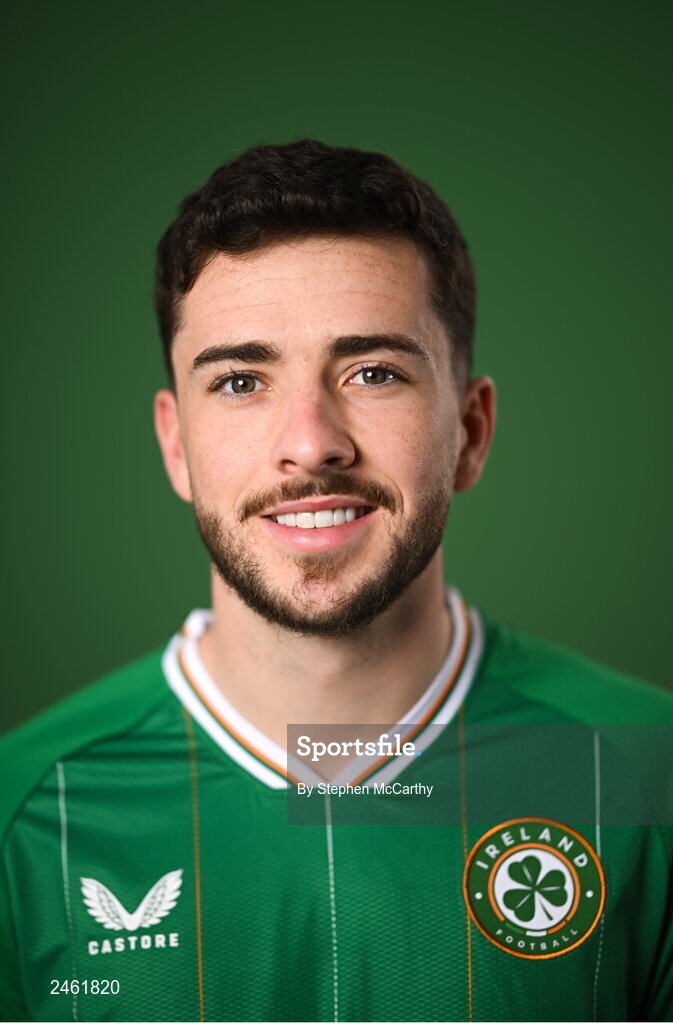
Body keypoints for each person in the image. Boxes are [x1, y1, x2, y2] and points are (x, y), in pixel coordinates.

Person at [1, 139, 671, 1024]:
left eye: (373, 373)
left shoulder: (649, 771)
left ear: (469, 432)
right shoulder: (25, 804)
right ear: (176, 445)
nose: (311, 443)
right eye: (241, 380)